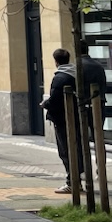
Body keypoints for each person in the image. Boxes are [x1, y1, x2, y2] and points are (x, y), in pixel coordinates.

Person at [42, 47, 83, 194]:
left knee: (66, 150)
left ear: (56, 61)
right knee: (75, 148)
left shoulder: (60, 78)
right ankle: (76, 180)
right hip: (75, 117)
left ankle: (72, 182)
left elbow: (55, 100)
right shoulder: (75, 74)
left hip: (62, 118)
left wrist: (45, 104)